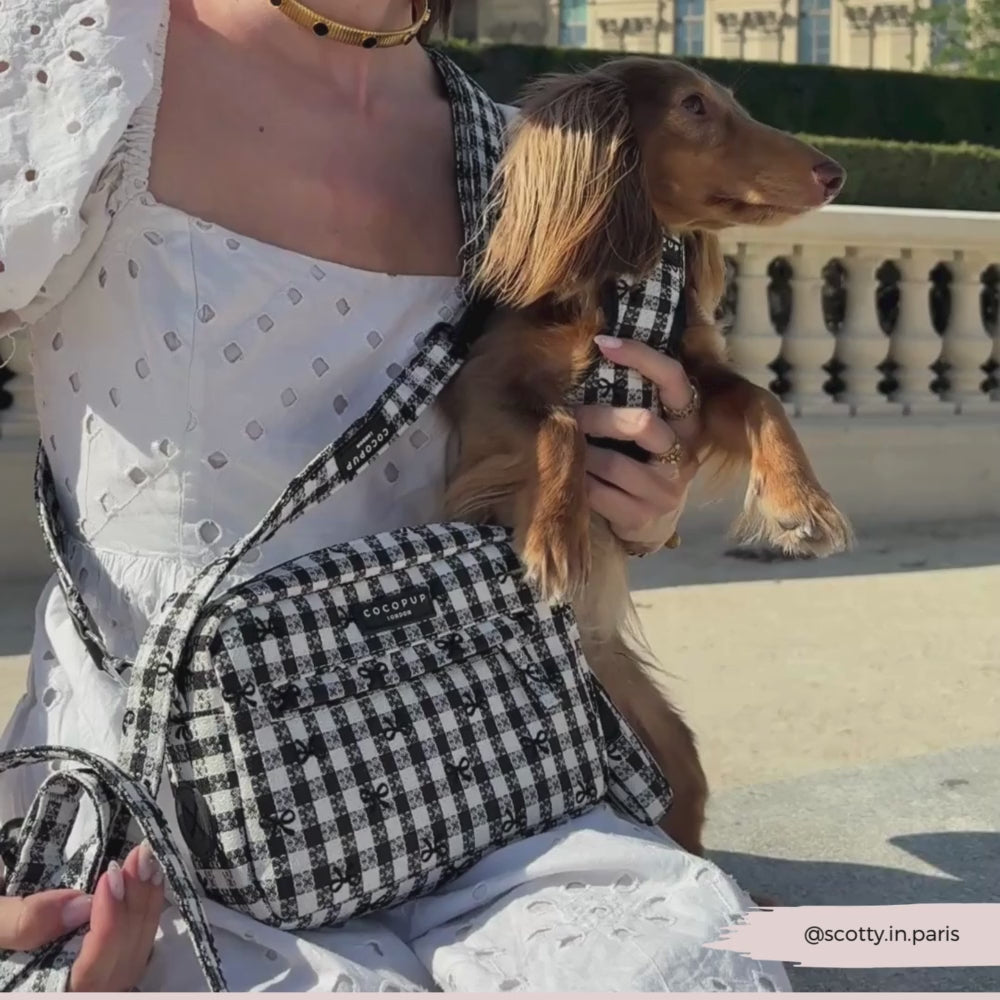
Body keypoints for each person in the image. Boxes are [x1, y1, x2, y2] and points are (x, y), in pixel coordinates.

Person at [0, 0, 789, 990]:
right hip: (165, 824)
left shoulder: (521, 149)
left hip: (483, 768)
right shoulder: (78, 59)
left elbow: (542, 441)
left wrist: (634, 502)